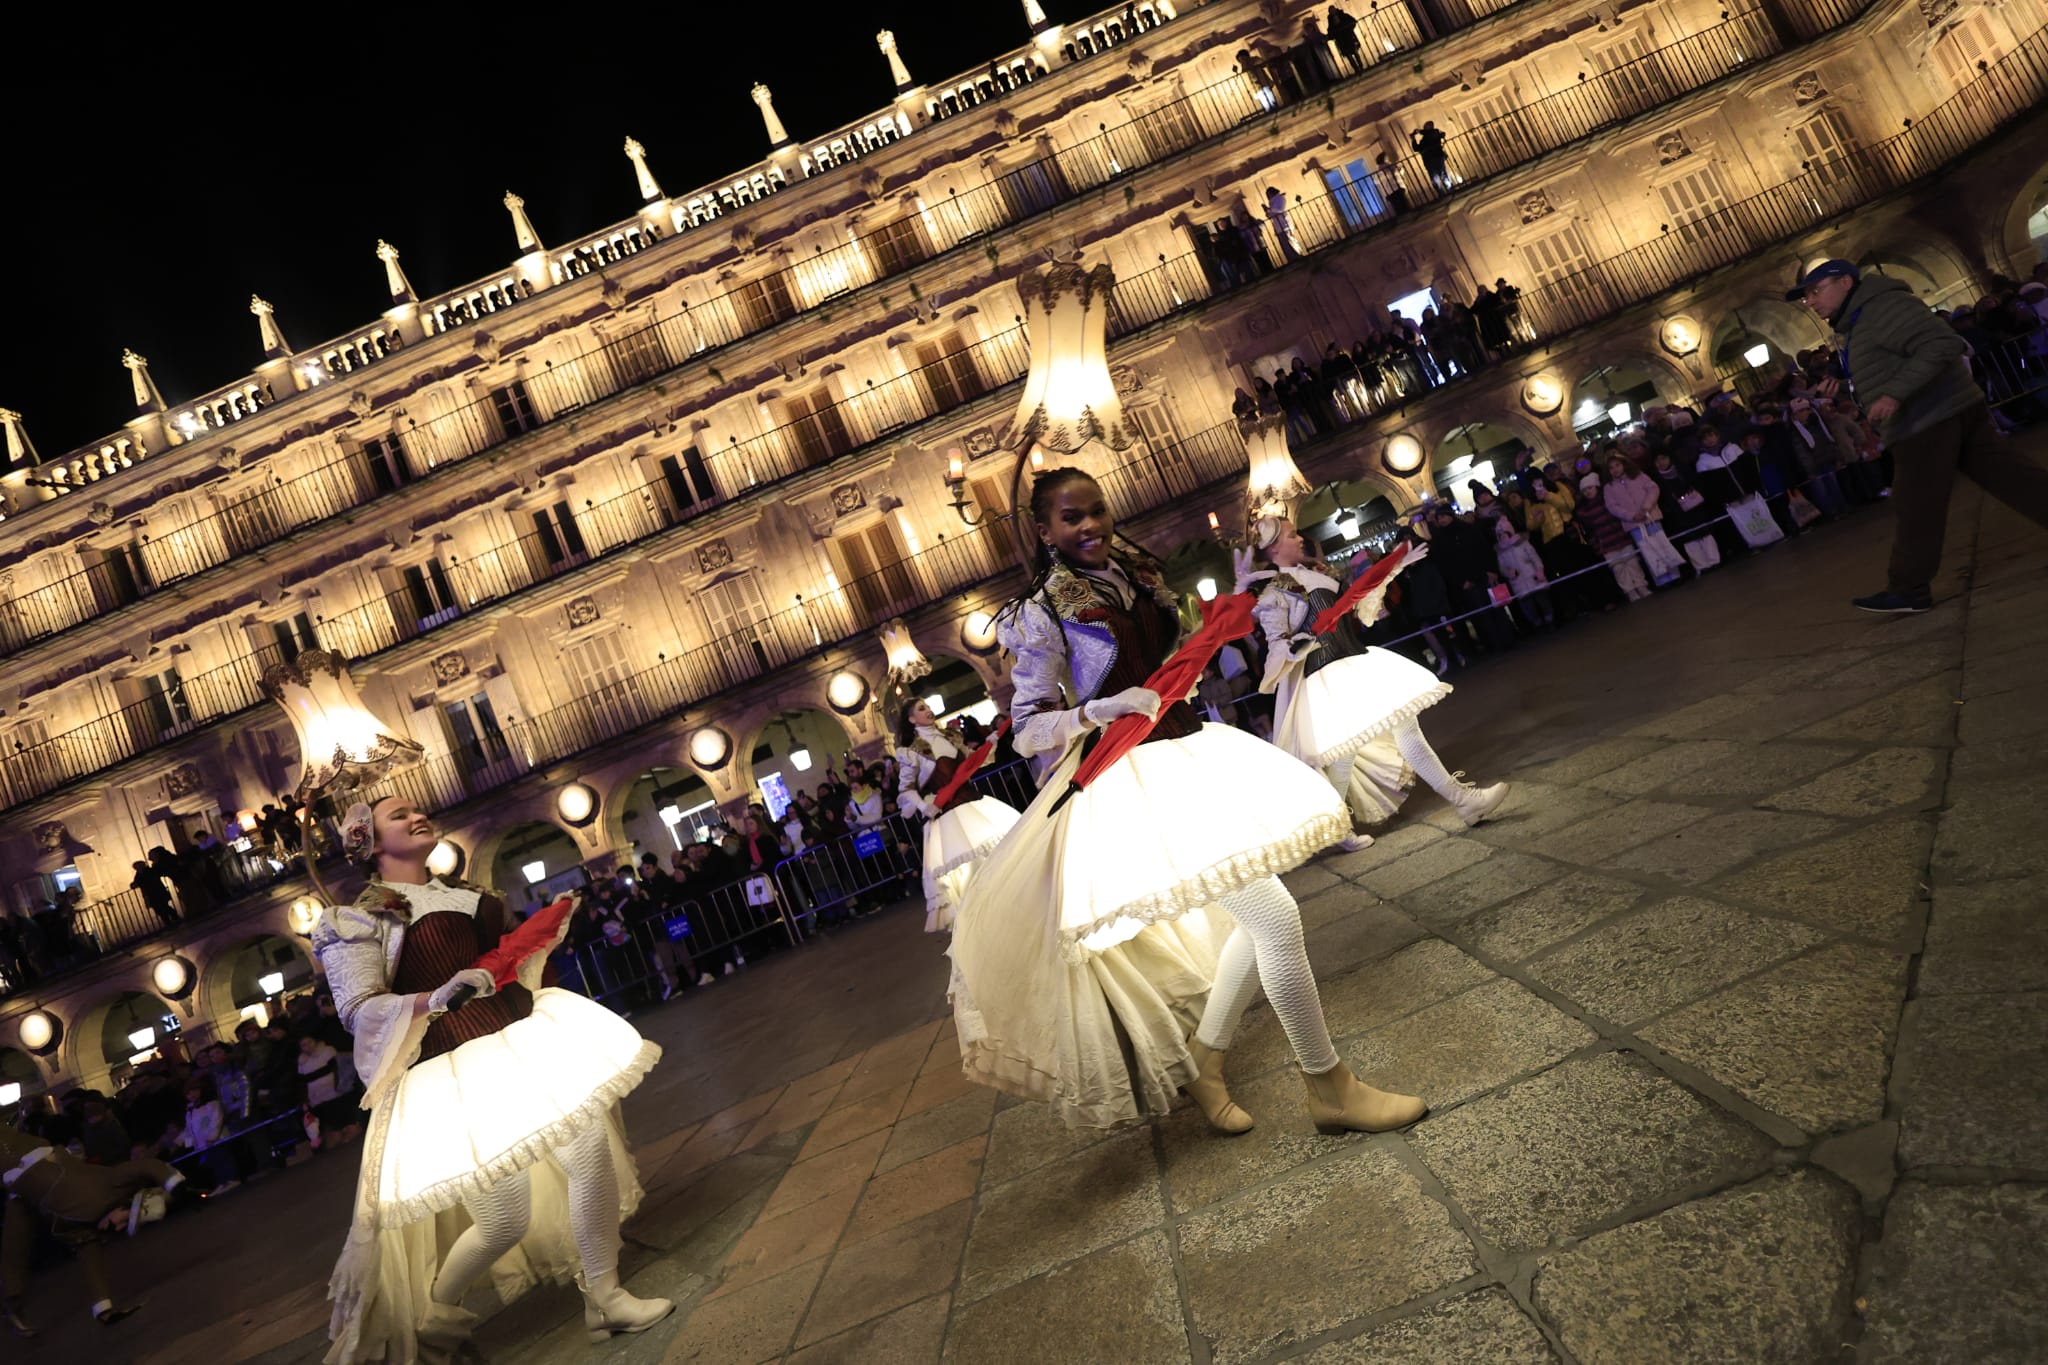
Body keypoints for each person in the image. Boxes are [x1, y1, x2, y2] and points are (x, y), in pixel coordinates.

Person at [950, 467, 1427, 1137]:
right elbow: (1026, 725)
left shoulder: (1140, 573)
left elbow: (1172, 658)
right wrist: (1093, 710)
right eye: (1070, 517)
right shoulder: (1041, 611)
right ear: (1043, 530)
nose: (1089, 526)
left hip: (1186, 753)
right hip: (1129, 781)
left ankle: (1206, 1062)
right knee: (1277, 918)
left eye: (1096, 510)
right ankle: (1330, 1087)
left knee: (1256, 922)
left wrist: (1219, 623)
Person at [311, 797, 668, 1363]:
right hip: (448, 1069)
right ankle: (434, 1321)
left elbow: (503, 960)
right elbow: (358, 1008)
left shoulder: (469, 894)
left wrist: (538, 933)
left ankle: (605, 1295)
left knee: (589, 1144)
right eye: (397, 816)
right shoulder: (356, 918)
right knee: (505, 1217)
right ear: (369, 843)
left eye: (415, 809)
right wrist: (434, 997)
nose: (415, 816)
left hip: (517, 1038)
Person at [1787, 257, 2048, 612]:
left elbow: (1942, 344)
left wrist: (1895, 393)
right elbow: (1899, 361)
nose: (1811, 302)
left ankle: (1909, 589)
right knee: (2013, 476)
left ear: (1846, 282)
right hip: (1946, 408)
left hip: (1926, 419)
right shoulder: (1861, 320)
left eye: (1816, 291)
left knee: (1916, 507)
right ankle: (1909, 588)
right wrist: (1853, 390)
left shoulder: (1882, 307)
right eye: (1807, 296)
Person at [1246, 518, 1508, 849]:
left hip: (1356, 663)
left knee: (1404, 730)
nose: (1300, 539)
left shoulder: (1318, 573)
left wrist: (1392, 570)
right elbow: (1275, 649)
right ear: (1273, 548)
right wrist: (1294, 647)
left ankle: (1464, 801)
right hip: (1326, 678)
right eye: (1291, 535)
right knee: (1344, 757)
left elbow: (1363, 610)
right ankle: (1338, 828)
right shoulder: (1273, 593)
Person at [2, 1123, 185, 1330]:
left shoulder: (82, 1230)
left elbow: (91, 1262)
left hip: (23, 1181)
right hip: (33, 1163)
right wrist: (177, 1186)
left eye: (121, 1224)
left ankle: (12, 1300)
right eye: (123, 1221)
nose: (118, 1227)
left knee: (15, 1238)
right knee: (15, 1236)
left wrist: (103, 1308)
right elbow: (149, 1166)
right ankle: (11, 1300)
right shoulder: (107, 1186)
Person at [893, 700, 1021, 933]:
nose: (928, 710)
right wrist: (924, 806)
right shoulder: (910, 752)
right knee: (970, 874)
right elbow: (905, 790)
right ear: (911, 720)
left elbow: (974, 761)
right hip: (948, 816)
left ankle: (1010, 908)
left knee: (999, 856)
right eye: (921, 709)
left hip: (973, 803)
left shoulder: (952, 736)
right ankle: (984, 923)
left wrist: (989, 745)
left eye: (927, 706)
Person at [1602, 455, 1685, 586]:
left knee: (1662, 544)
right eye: (1611, 468)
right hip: (1633, 524)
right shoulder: (1609, 487)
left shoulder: (1638, 476)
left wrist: (1646, 507)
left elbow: (1653, 489)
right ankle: (1662, 580)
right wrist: (1631, 516)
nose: (1615, 469)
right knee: (1648, 550)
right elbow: (1612, 507)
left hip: (1650, 517)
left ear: (1624, 464)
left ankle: (1674, 574)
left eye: (1617, 465)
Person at [1411, 120, 1450, 191]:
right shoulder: (1425, 138)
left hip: (1436, 157)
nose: (1424, 127)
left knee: (1442, 174)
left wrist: (1419, 131)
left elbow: (1436, 134)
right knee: (1435, 177)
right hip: (1429, 160)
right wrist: (1413, 139)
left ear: (1430, 126)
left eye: (1426, 126)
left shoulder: (1435, 132)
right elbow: (1416, 148)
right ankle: (1441, 191)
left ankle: (1448, 188)